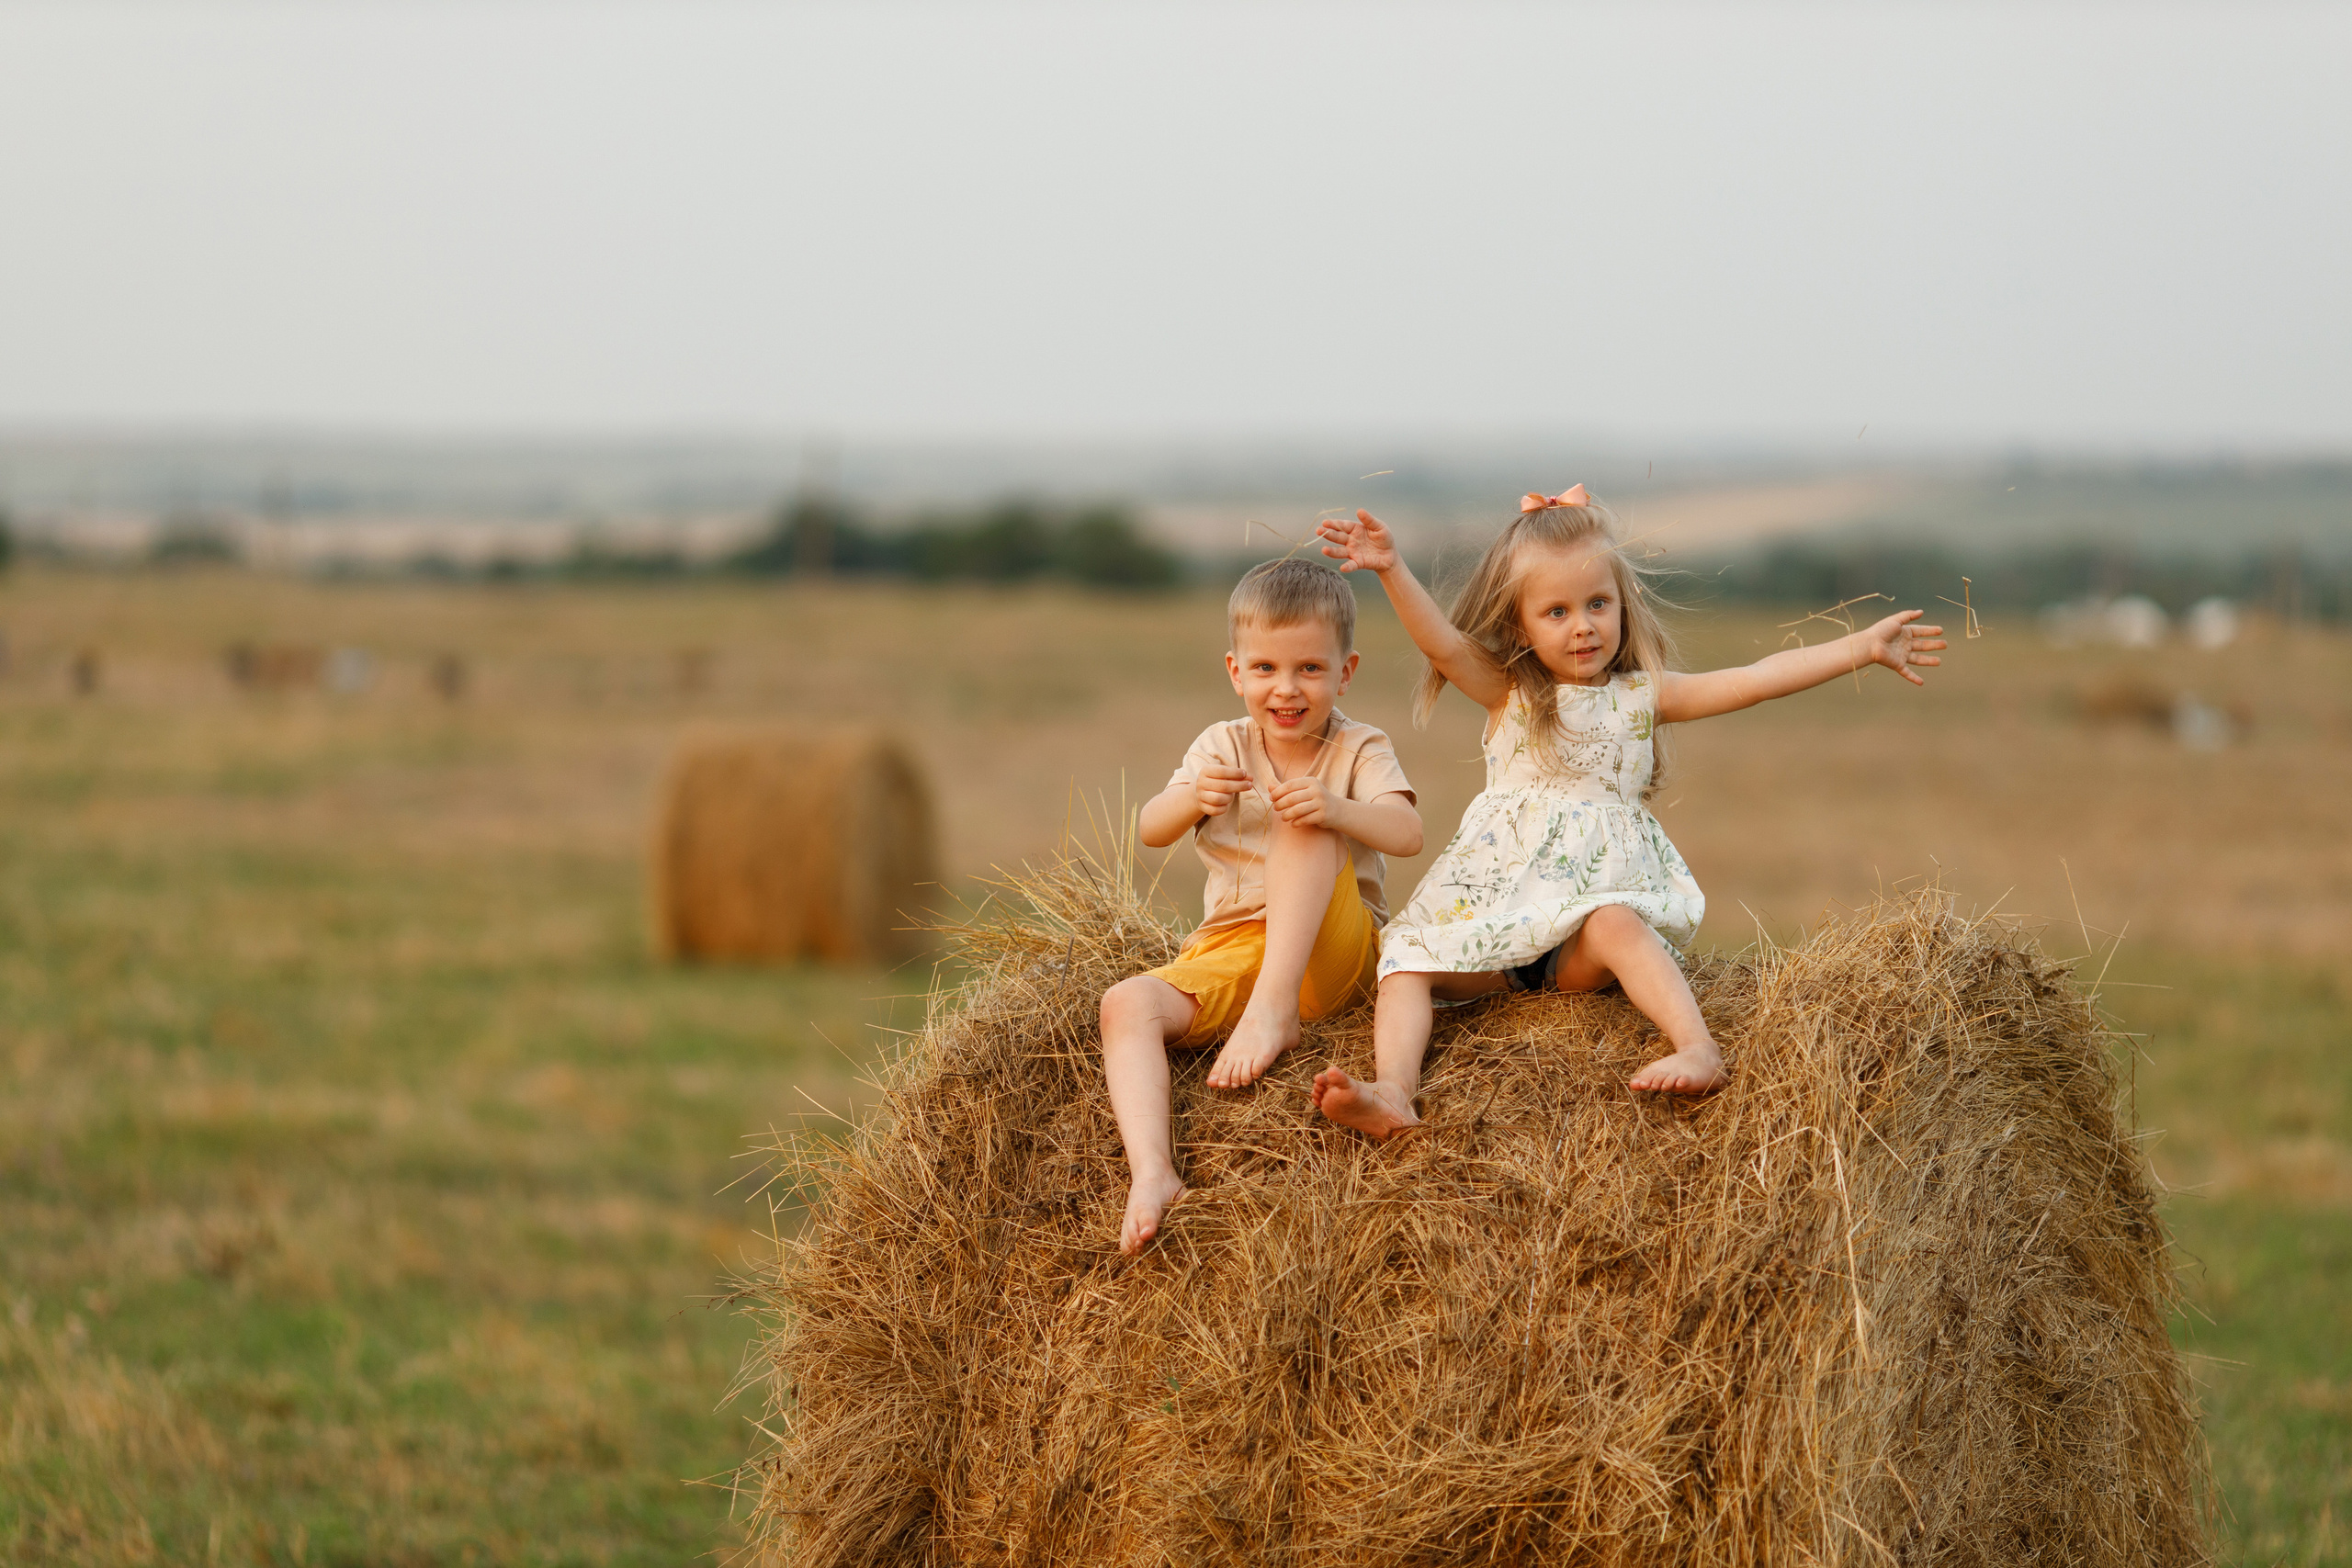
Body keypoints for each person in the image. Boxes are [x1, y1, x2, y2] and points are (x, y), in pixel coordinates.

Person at [1308, 486, 1946, 1139]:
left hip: (1577, 945)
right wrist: (1391, 568)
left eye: (1597, 604)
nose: (1582, 624)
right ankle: (1394, 1090)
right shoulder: (1510, 692)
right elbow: (1442, 643)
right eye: (1555, 611)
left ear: (1621, 606)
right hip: (1492, 928)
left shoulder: (1643, 697)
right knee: (1407, 961)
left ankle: (1698, 1046)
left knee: (1616, 922)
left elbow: (1754, 678)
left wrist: (1860, 648)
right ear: (1519, 624)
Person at [1102, 558, 1423, 1254]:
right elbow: (1152, 828)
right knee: (1126, 1005)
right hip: (1233, 949)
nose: (1287, 687)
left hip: (1329, 956)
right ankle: (1152, 1172)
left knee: (1302, 821)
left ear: (1346, 671)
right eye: (1267, 668)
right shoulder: (1220, 746)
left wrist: (1337, 807)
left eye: (1310, 668)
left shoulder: (1360, 745)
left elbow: (1408, 833)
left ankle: (1275, 1012)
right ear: (1236, 670)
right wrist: (1193, 795)